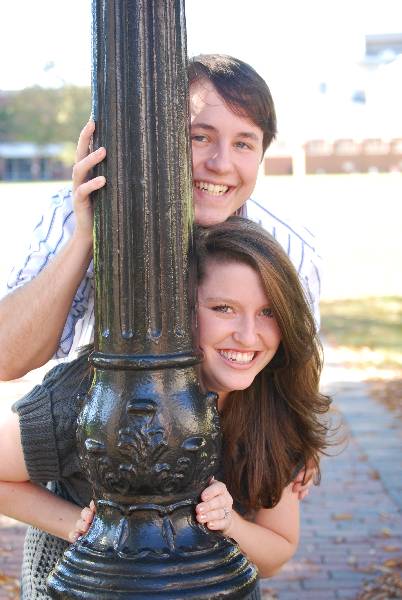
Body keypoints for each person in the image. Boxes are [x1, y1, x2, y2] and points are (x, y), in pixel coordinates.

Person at [0, 217, 330, 597]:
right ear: (182, 312)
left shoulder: (275, 403)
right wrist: (82, 525)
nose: (247, 335)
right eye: (224, 308)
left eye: (268, 312)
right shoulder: (99, 391)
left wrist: (229, 523)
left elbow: (276, 554)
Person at [0, 54, 321, 381]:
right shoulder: (78, 211)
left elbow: (297, 381)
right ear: (157, 140)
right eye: (199, 137)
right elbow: (6, 358)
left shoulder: (291, 247)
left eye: (243, 144)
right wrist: (88, 235)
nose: (221, 164)